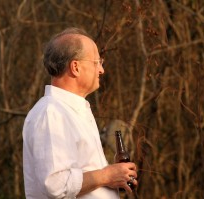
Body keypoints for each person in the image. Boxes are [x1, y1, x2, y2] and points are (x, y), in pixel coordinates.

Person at [22, 27, 138, 199]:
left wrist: (113, 180)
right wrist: (107, 175)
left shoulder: (73, 111)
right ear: (75, 67)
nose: (101, 70)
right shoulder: (52, 113)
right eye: (97, 62)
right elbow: (56, 185)